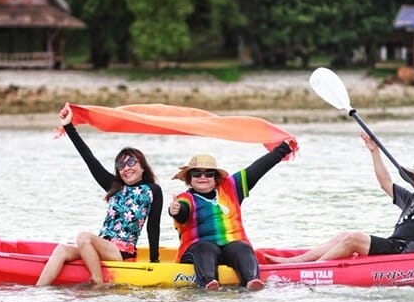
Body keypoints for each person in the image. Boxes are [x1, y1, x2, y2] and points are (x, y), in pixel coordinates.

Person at [264, 131, 414, 263]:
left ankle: (311, 269)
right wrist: (374, 151)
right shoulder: (412, 198)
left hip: (408, 252)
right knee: (344, 235)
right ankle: (291, 262)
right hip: (394, 245)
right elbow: (385, 182)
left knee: (354, 238)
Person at [36, 104, 163, 286]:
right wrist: (69, 127)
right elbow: (89, 158)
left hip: (121, 252)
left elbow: (154, 227)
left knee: (83, 237)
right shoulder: (115, 186)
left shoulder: (153, 190)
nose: (126, 168)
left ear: (142, 165)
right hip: (100, 245)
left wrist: (155, 262)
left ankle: (98, 281)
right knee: (62, 249)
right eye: (121, 166)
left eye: (131, 162)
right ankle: (37, 291)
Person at [169, 142, 293, 291]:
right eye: (197, 173)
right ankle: (209, 282)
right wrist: (175, 210)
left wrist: (283, 148)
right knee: (205, 247)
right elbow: (182, 212)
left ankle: (251, 281)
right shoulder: (185, 198)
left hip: (230, 246)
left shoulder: (231, 188)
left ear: (216, 177)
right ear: (190, 178)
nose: (203, 177)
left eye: (209, 173)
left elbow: (258, 169)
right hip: (198, 249)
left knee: (241, 247)